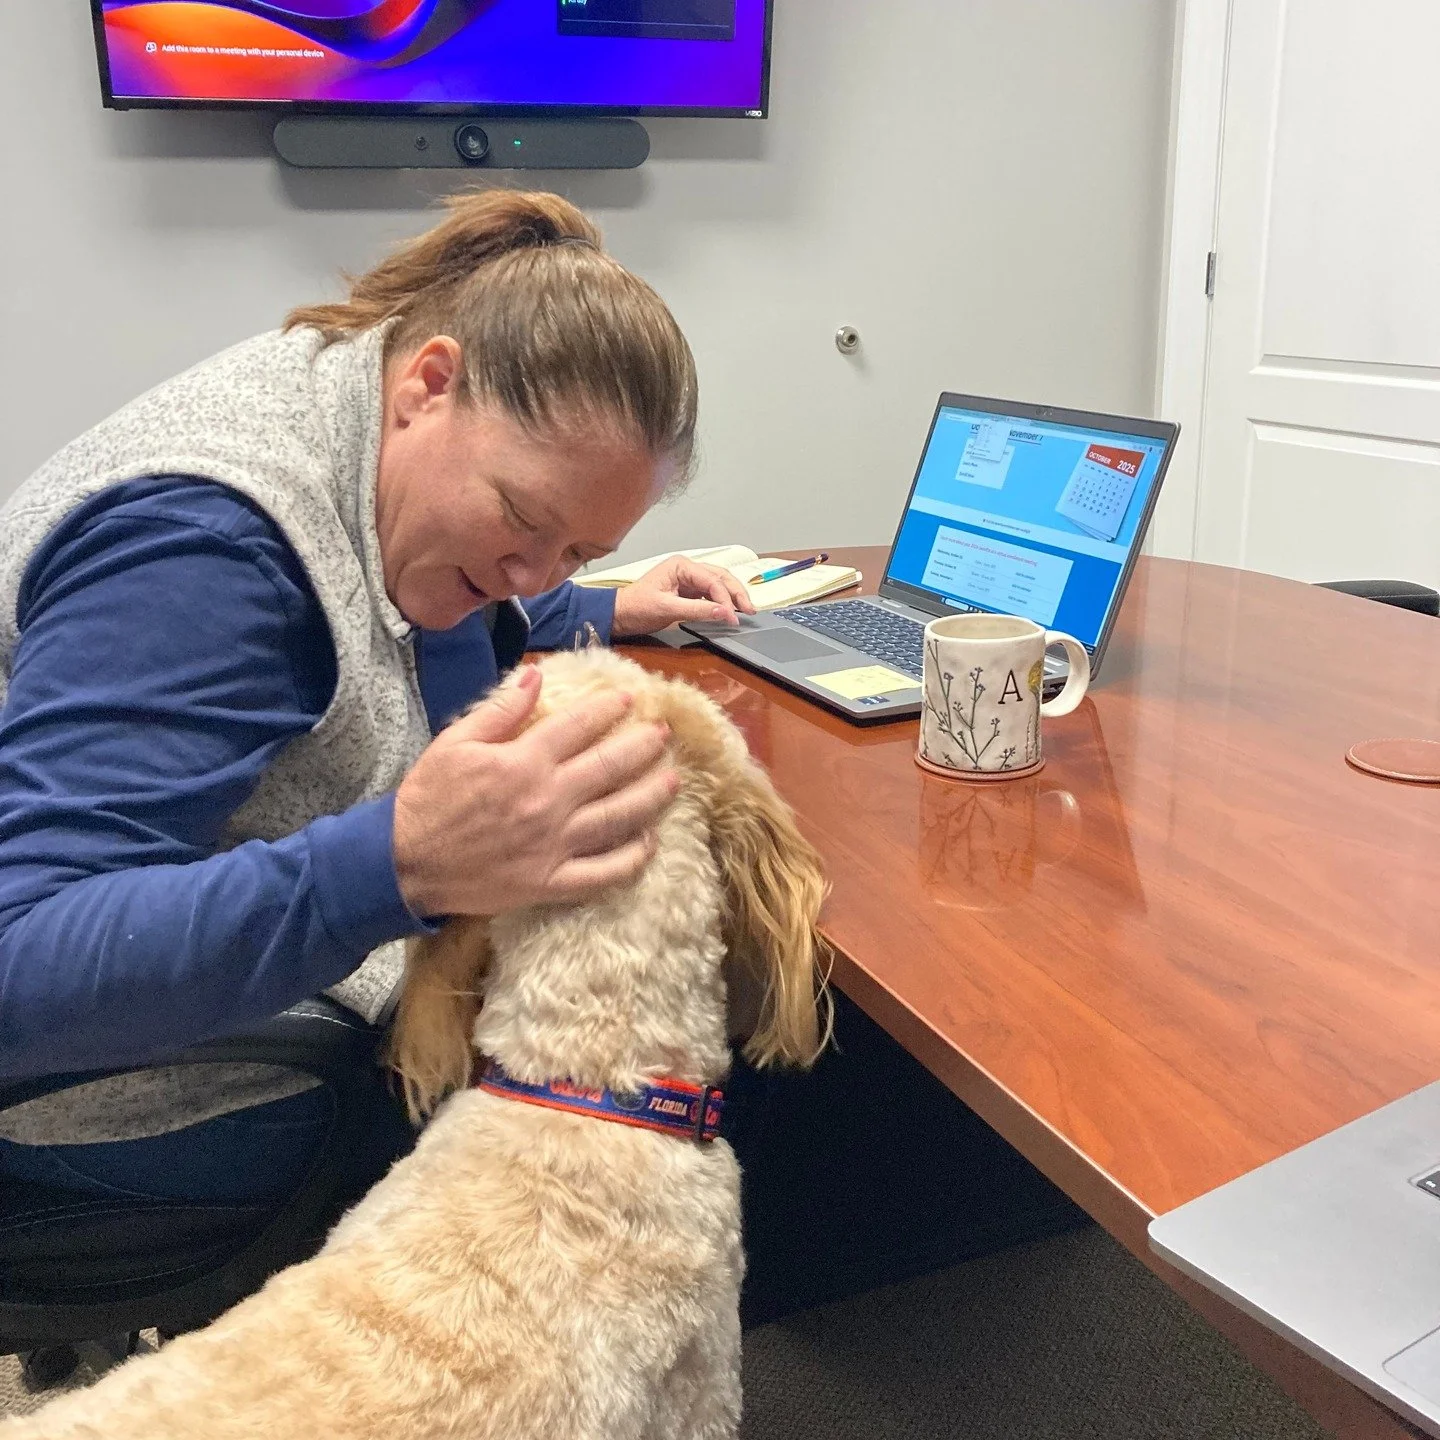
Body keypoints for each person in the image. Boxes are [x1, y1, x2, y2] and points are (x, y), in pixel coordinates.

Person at [0, 189, 756, 1229]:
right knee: (628, 1095)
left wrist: (595, 605)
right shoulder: (211, 553)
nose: (531, 572)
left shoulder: (367, 411)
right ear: (429, 385)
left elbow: (407, 595)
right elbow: (19, 965)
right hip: (103, 1094)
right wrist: (399, 862)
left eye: (578, 550)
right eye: (522, 518)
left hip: (235, 980)